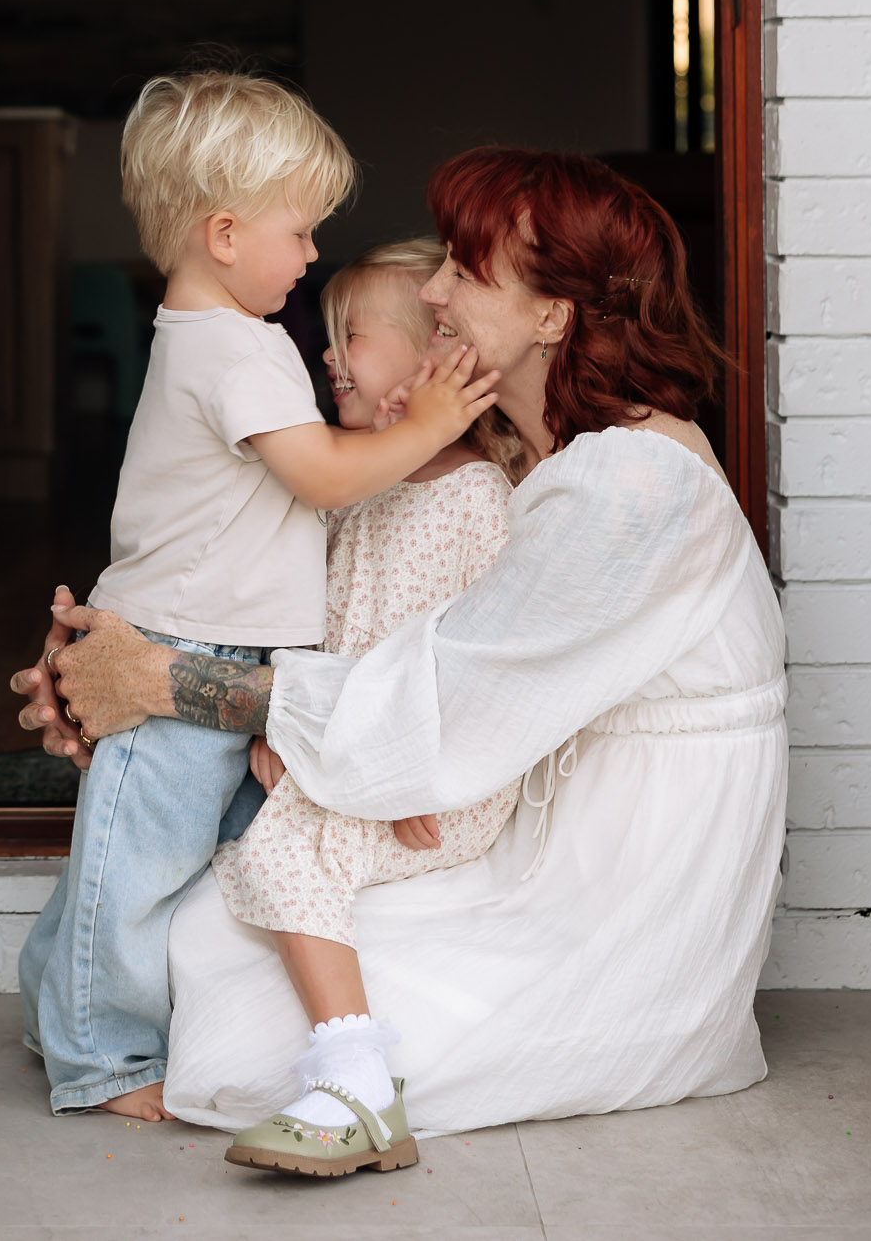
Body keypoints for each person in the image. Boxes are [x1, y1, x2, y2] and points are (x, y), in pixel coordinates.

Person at [17, 148, 787, 1165]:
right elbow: (269, 565)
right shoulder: (537, 458)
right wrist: (99, 659)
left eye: (464, 271)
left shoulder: (630, 488)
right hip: (494, 807)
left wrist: (163, 683)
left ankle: (355, 1087)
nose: (431, 290)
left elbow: (443, 694)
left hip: (611, 884)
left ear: (553, 315)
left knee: (223, 1002)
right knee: (205, 927)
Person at [17, 72, 498, 1123]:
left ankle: (49, 1000)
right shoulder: (233, 348)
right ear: (224, 232)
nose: (312, 251)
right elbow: (323, 477)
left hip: (234, 651)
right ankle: (102, 1062)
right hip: (182, 645)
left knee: (158, 855)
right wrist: (424, 425)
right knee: (132, 869)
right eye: (300, 229)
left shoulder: (220, 337)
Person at [213, 238, 525, 1174]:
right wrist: (279, 724)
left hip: (429, 774)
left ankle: (355, 1081)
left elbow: (480, 670)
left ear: (433, 360)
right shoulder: (349, 483)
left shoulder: (476, 499)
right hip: (341, 748)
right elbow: (305, 622)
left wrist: (414, 773)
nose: (326, 354)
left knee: (284, 844)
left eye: (349, 334)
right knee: (273, 823)